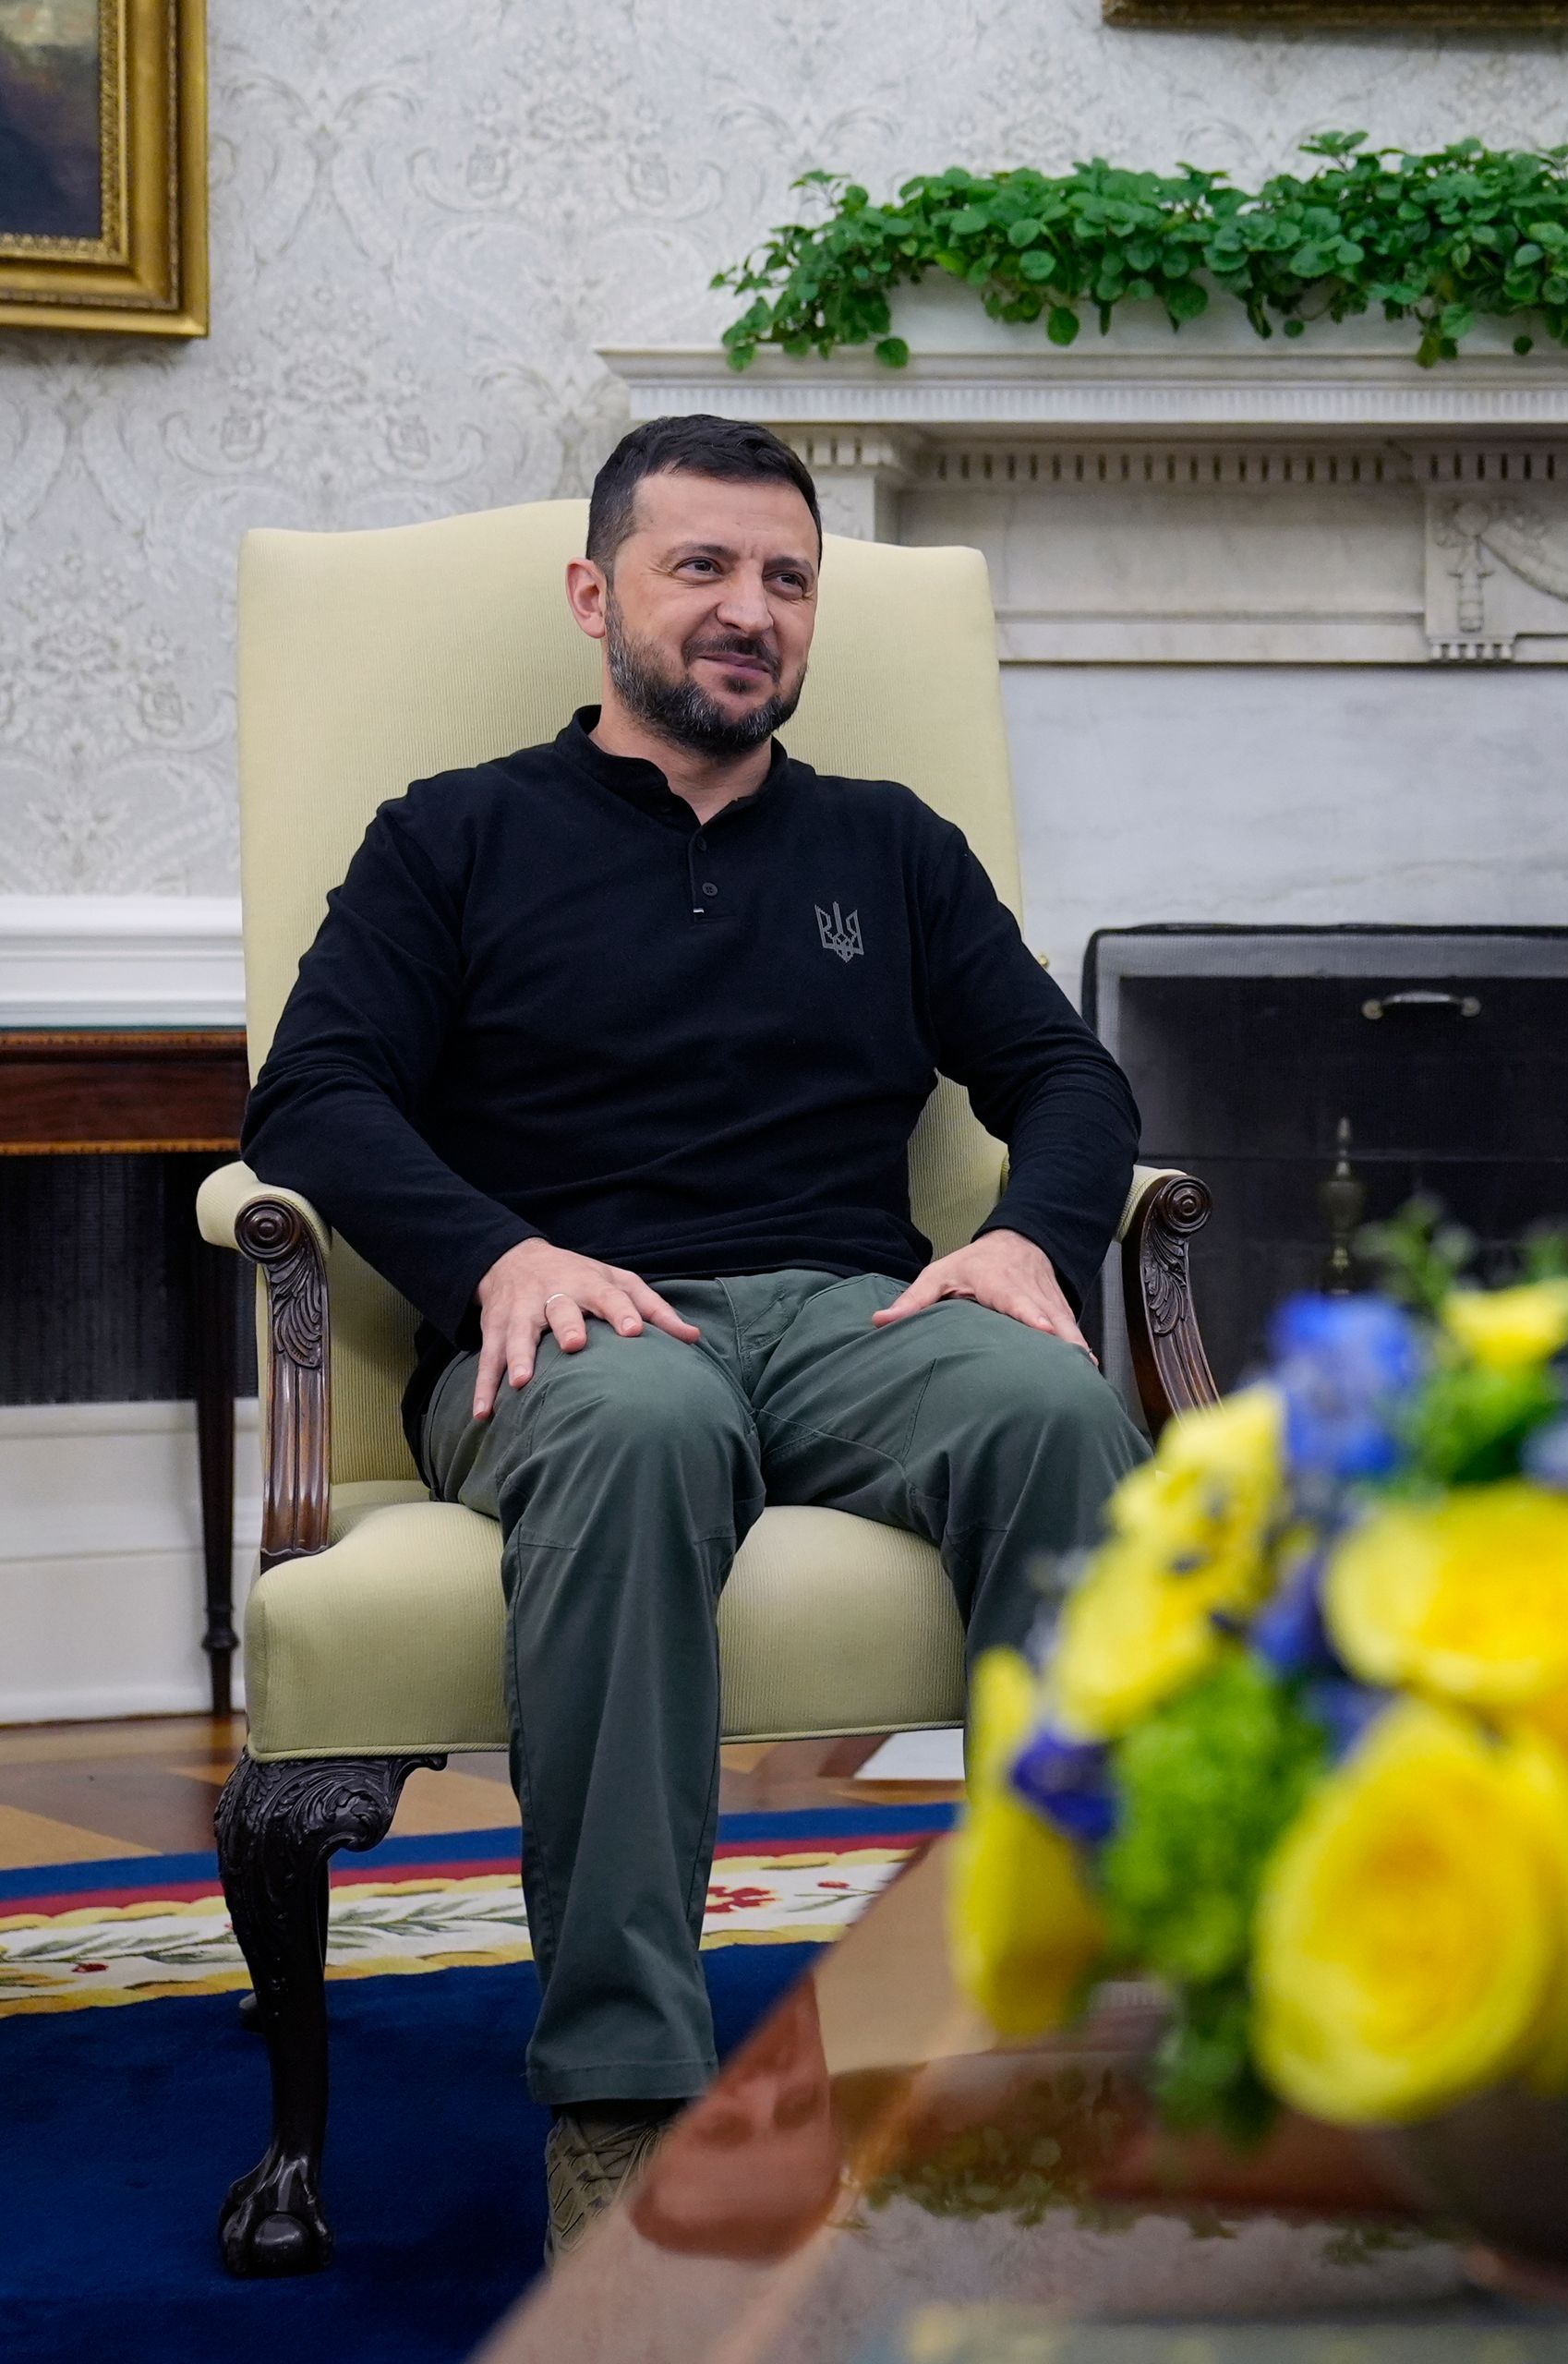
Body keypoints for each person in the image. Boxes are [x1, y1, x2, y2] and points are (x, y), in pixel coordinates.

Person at [242, 416, 1150, 2256]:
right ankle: (630, 2090)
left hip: (848, 1312)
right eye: (703, 568)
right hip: (571, 1325)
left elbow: (1063, 1071)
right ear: (598, 595)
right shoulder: (456, 835)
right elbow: (314, 1090)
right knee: (646, 1418)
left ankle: (1059, 2031)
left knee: (1054, 1407)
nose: (751, 611)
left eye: (788, 579)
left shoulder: (890, 848)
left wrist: (1030, 1242)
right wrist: (493, 1254)